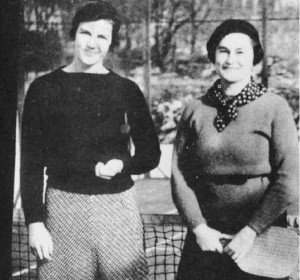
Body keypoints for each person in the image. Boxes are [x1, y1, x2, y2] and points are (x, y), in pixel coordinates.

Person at [21, 2, 161, 279]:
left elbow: (150, 155)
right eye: (86, 33)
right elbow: (31, 164)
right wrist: (35, 222)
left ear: (111, 44)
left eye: (102, 37)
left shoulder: (127, 90)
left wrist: (121, 164)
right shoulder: (43, 88)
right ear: (74, 34)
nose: (92, 43)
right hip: (63, 209)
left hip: (118, 211)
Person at [171, 19, 299, 280]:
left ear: (255, 59)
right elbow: (180, 174)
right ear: (213, 56)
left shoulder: (275, 107)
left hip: (259, 238)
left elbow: (289, 177)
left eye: (241, 52)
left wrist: (251, 231)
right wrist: (199, 228)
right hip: (206, 239)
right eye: (224, 51)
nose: (231, 59)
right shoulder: (194, 109)